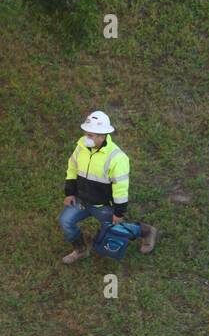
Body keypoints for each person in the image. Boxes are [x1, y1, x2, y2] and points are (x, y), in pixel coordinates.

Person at [59, 110, 156, 263]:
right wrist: (70, 193)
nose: (86, 138)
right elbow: (72, 169)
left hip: (103, 206)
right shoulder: (81, 147)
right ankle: (81, 249)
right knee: (65, 221)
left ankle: (145, 231)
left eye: (90, 135)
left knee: (116, 228)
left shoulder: (117, 158)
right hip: (82, 201)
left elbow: (121, 189)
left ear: (102, 136)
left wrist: (118, 212)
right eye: (86, 133)